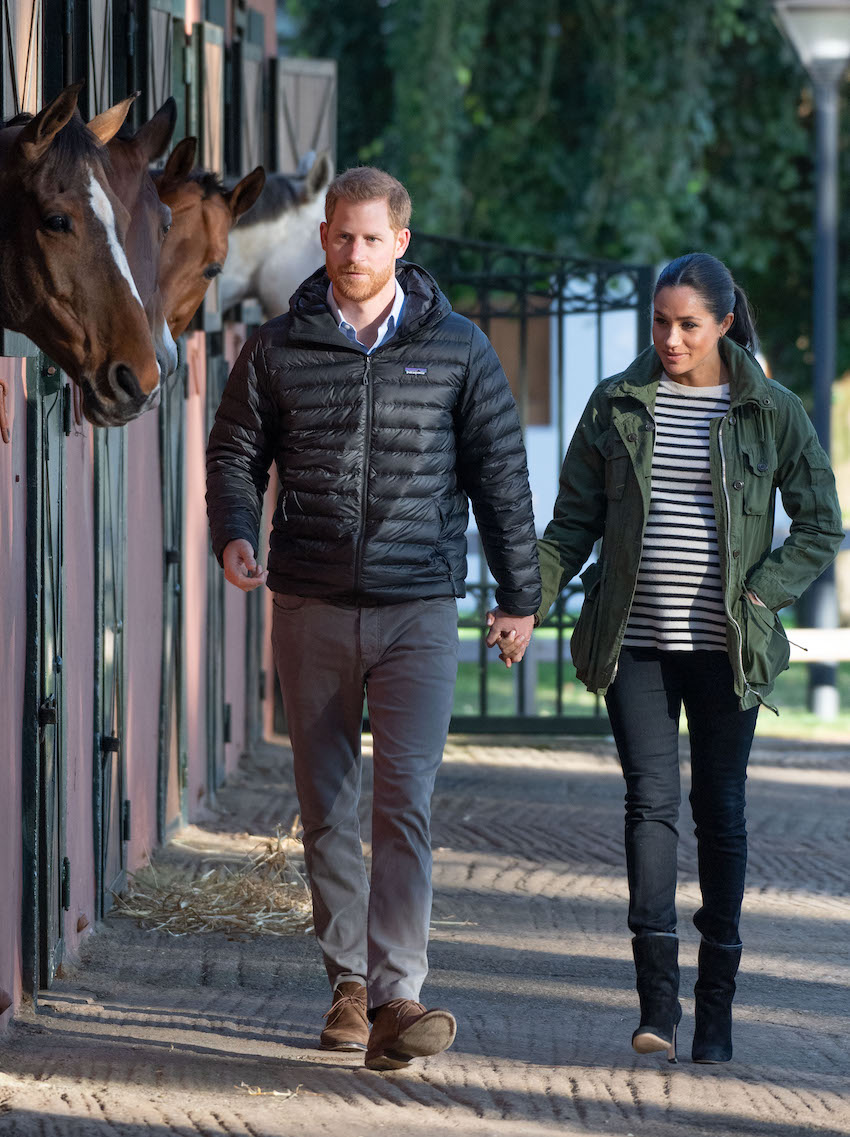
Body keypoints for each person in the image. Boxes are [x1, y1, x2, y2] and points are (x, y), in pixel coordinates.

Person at [206, 166, 540, 1071]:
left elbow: (500, 475)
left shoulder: (459, 347)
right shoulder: (277, 347)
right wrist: (235, 530)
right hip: (309, 602)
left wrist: (521, 594)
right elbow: (234, 449)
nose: (354, 252)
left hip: (419, 609)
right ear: (323, 241)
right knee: (325, 806)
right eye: (340, 236)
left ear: (402, 242)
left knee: (406, 805)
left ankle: (397, 993)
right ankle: (345, 988)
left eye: (370, 237)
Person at [500, 252, 843, 1064]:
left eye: (689, 324)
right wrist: (527, 601)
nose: (671, 338)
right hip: (637, 646)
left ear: (725, 322)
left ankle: (716, 1006)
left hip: (729, 655)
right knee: (648, 808)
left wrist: (761, 593)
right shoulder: (618, 404)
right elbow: (570, 526)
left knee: (720, 815)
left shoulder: (772, 411)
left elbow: (822, 523)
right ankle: (657, 1001)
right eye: (660, 323)